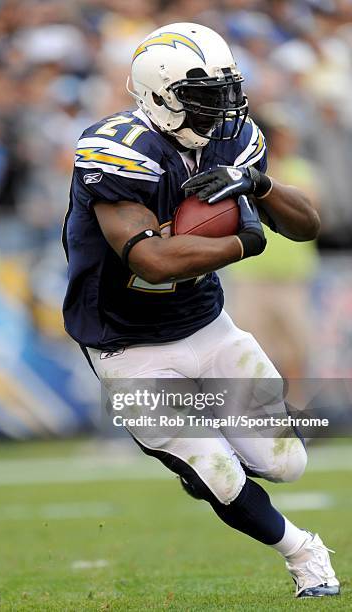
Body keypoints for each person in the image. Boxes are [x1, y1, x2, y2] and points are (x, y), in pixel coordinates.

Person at [63, 23, 339, 598]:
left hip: (206, 326)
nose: (223, 109)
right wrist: (245, 241)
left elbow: (310, 225)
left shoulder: (232, 141)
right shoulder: (117, 150)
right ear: (160, 95)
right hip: (126, 342)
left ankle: (211, 452)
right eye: (205, 95)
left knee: (287, 463)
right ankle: (303, 551)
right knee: (216, 469)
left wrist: (258, 184)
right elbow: (154, 260)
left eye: (226, 91)